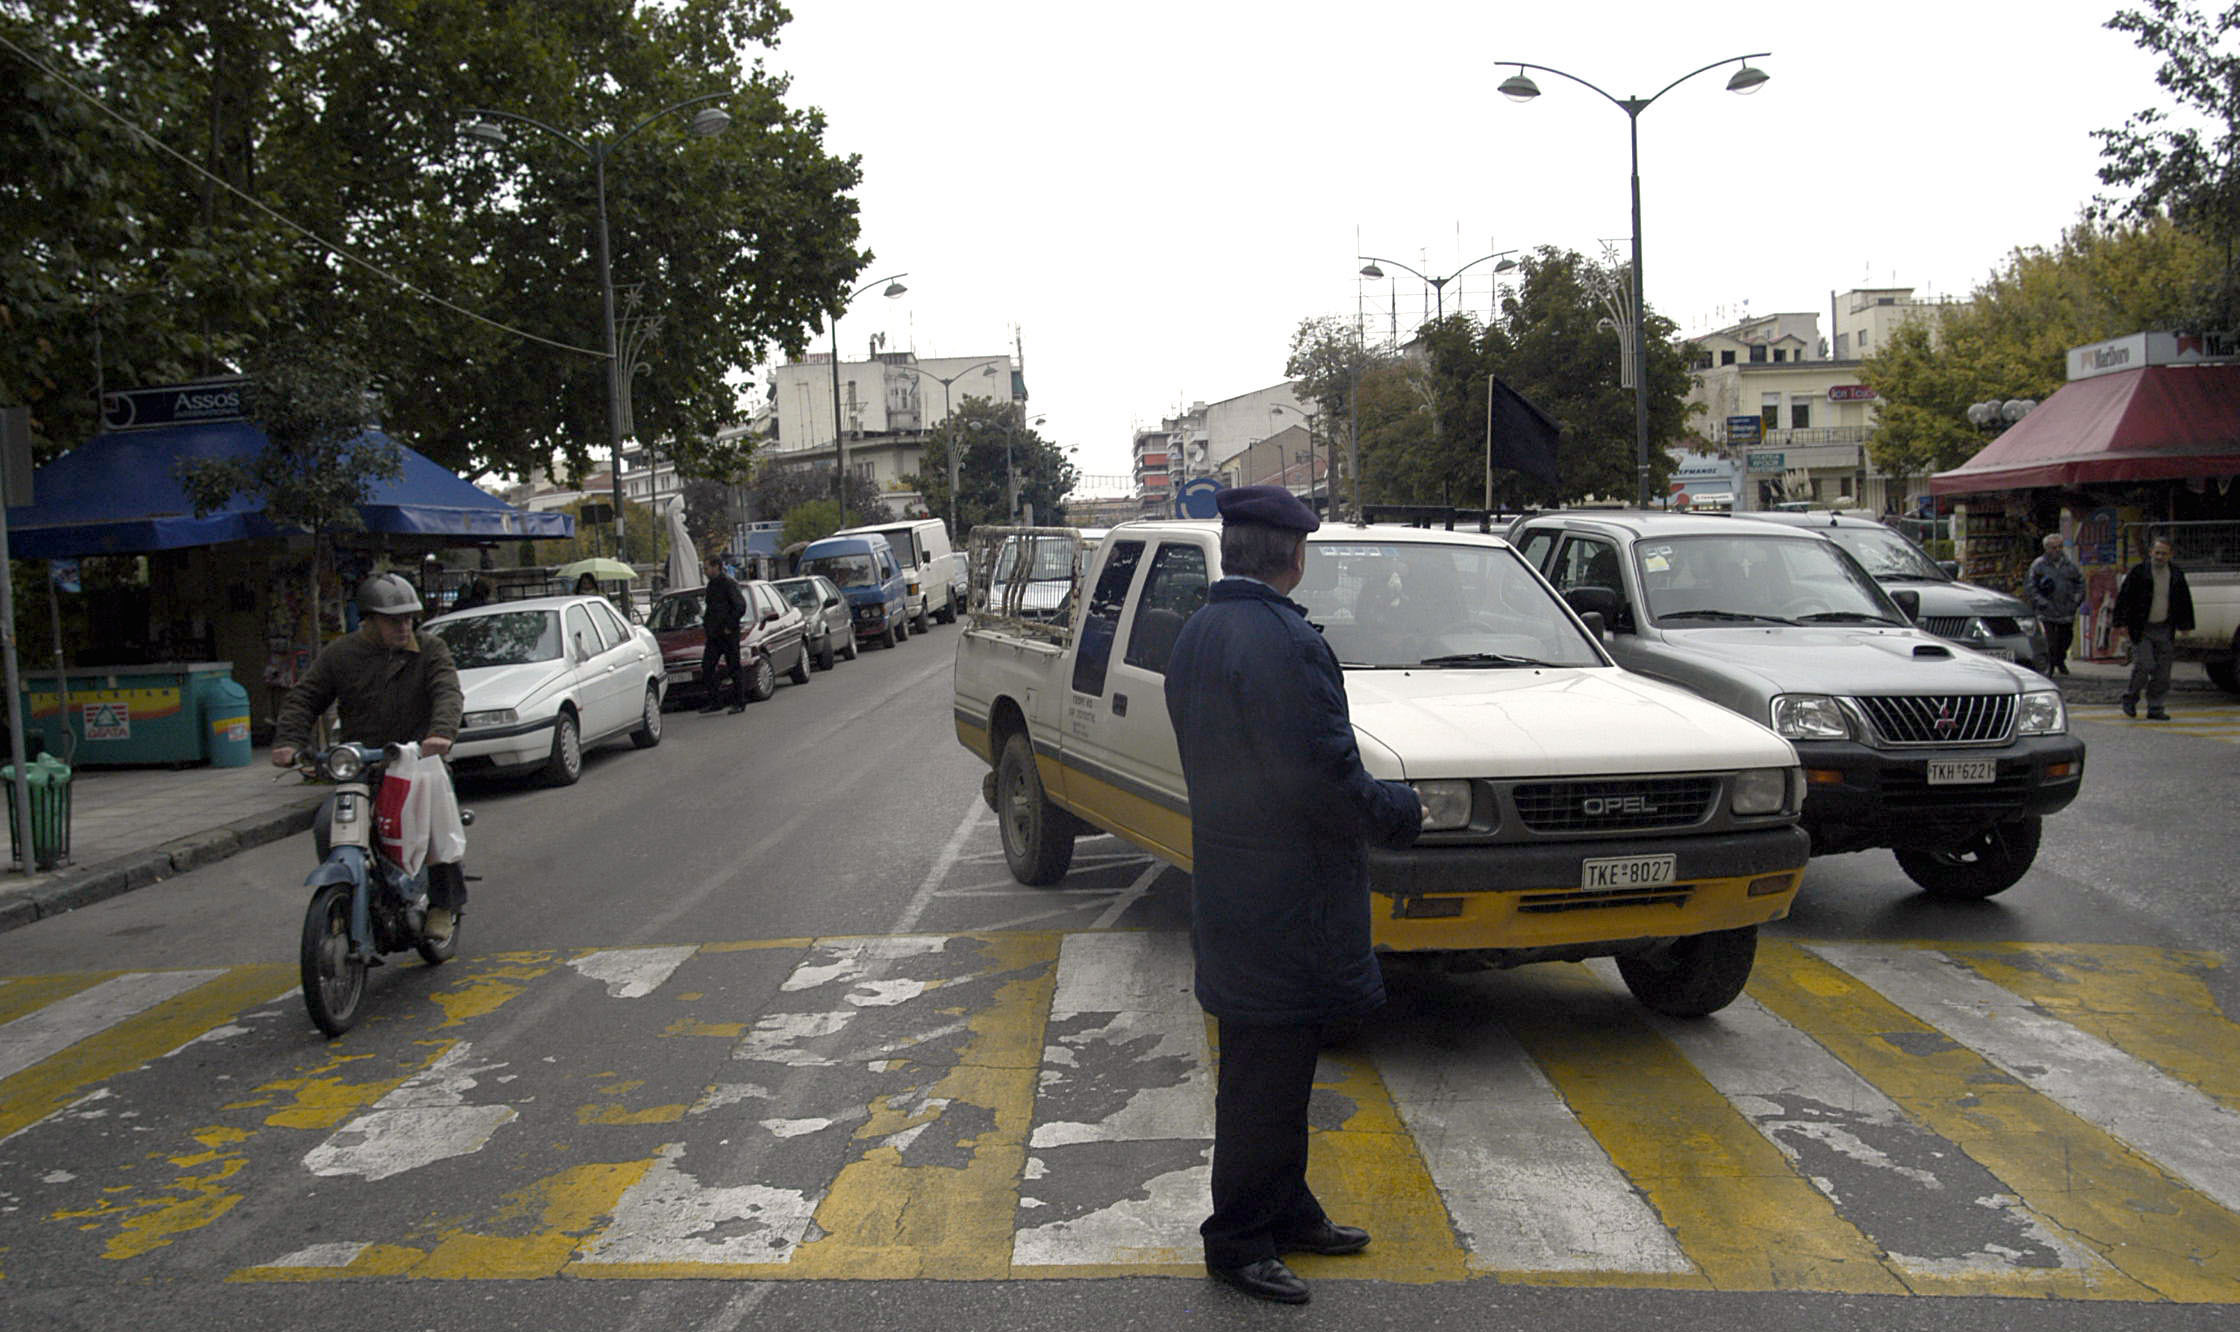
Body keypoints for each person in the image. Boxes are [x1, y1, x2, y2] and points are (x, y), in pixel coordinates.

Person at [1162, 484, 1425, 1306]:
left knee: (1275, 1066)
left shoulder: (1199, 633)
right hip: (1290, 901)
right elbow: (1324, 777)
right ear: (1294, 556)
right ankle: (1238, 1239)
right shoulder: (1284, 642)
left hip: (1239, 889)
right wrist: (1401, 813)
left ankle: (1288, 1209)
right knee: (1263, 1078)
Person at [271, 573, 468, 941]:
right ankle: (346, 891)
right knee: (326, 822)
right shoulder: (341, 655)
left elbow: (447, 692)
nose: (404, 626)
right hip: (362, 766)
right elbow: (305, 697)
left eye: (409, 618)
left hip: (417, 764)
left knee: (437, 823)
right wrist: (288, 742)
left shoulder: (430, 650)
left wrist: (440, 734)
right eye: (394, 620)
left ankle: (444, 904)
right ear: (369, 620)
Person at [2113, 536, 2195, 719]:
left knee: (2163, 671)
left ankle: (2156, 707)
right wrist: (2120, 624)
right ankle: (2130, 697)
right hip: (2141, 628)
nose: (2159, 557)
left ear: (2170, 555)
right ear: (2151, 552)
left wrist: (2185, 625)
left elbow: (2183, 600)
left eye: (2163, 554)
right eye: (2157, 553)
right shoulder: (2139, 572)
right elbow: (2125, 598)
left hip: (2164, 628)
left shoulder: (2176, 574)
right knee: (2144, 665)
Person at [2025, 532, 2085, 675]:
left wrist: (2076, 600)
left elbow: (2080, 583)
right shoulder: (2039, 565)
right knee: (2050, 642)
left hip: (2066, 609)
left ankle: (2060, 659)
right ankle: (2051, 665)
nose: (2057, 550)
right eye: (2053, 547)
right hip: (2047, 611)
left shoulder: (2069, 565)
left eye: (2059, 547)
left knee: (2065, 639)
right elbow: (2030, 586)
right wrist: (2041, 602)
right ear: (2047, 549)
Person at [699, 553, 749, 715]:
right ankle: (716, 701)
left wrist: (729, 625)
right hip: (714, 634)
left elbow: (740, 606)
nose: (705, 571)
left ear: (716, 567)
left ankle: (739, 701)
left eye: (706, 568)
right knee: (707, 667)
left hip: (728, 633)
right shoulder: (711, 586)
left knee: (734, 667)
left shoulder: (728, 583)